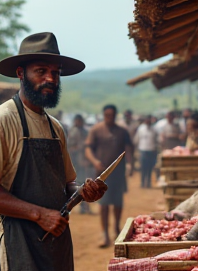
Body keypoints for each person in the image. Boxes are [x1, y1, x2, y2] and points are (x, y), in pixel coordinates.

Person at [0, 32, 107, 271]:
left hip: (56, 244)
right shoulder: (1, 121)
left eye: (56, 72)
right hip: (17, 244)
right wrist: (38, 214)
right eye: (41, 71)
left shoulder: (55, 127)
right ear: (20, 73)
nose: (50, 79)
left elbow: (66, 184)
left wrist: (84, 192)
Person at [85, 104, 134, 248]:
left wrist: (130, 164)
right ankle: (104, 233)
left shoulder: (122, 131)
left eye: (112, 115)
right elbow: (88, 149)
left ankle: (117, 229)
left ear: (115, 115)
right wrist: (95, 162)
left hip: (118, 173)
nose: (109, 118)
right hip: (102, 174)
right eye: (107, 115)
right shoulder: (96, 130)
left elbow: (129, 149)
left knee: (118, 202)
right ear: (104, 115)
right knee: (104, 204)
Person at [67, 114, 94, 214]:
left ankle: (86, 207)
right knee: (79, 184)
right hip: (76, 163)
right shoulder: (73, 132)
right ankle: (82, 207)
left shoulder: (86, 132)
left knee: (86, 184)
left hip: (86, 162)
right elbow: (70, 148)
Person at [134, 115, 158, 189]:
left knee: (150, 167)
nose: (148, 121)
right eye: (147, 120)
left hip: (151, 150)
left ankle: (148, 183)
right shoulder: (141, 129)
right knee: (143, 167)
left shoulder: (154, 129)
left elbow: (157, 140)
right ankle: (142, 182)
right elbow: (136, 139)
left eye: (149, 120)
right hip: (143, 151)